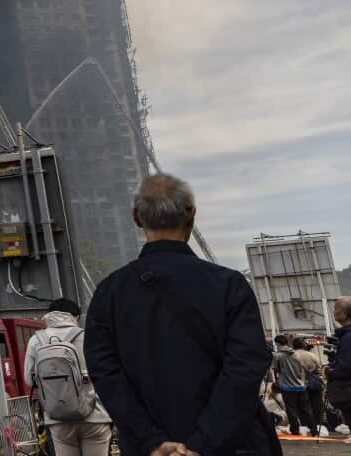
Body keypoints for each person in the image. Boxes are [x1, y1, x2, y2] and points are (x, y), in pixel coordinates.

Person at [84, 174, 274, 456]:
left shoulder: (109, 293)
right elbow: (245, 368)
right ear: (192, 215)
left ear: (136, 217)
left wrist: (151, 441)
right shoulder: (228, 285)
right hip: (233, 446)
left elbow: (105, 374)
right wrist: (202, 444)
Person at [24, 298, 113, 456]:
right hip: (95, 415)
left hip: (58, 418)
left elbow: (29, 379)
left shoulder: (36, 340)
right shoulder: (89, 336)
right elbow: (107, 373)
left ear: (49, 316)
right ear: (76, 316)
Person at [272, 334, 317, 436]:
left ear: (278, 343)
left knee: (291, 410)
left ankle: (295, 430)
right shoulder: (296, 354)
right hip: (301, 386)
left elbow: (276, 371)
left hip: (287, 387)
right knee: (306, 409)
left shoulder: (278, 356)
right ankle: (314, 429)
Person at [293, 338, 327, 435]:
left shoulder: (291, 356)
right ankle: (316, 426)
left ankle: (304, 426)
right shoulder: (312, 355)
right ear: (304, 345)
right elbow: (319, 369)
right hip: (313, 384)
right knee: (316, 405)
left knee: (302, 407)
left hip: (298, 384)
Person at [329, 297, 351, 434]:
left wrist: (330, 372)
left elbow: (347, 367)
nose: (334, 312)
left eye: (336, 308)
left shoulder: (348, 337)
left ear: (345, 313)